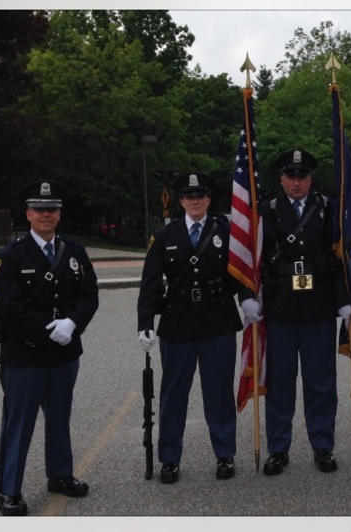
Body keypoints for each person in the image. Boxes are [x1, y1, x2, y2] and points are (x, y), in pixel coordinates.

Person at [0, 180, 99, 516]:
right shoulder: (9, 257)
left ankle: (60, 474)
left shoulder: (75, 252)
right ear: (28, 214)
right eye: (39, 209)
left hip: (64, 352)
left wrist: (72, 324)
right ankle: (9, 490)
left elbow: (89, 294)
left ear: (59, 214)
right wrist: (47, 329)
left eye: (51, 209)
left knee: (59, 419)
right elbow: (4, 306)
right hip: (25, 355)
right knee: (18, 424)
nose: (46, 214)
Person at [136, 173, 257, 483]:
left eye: (200, 195)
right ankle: (170, 458)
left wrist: (247, 298)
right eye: (189, 196)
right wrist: (145, 323)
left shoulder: (226, 231)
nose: (195, 201)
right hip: (177, 323)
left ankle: (225, 455)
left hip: (217, 320)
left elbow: (240, 270)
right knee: (174, 394)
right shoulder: (165, 236)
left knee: (217, 392)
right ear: (180, 201)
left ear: (208, 199)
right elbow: (150, 283)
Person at [258, 149, 350, 475]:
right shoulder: (265, 210)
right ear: (281, 178)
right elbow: (252, 259)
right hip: (279, 308)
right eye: (291, 176)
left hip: (319, 308)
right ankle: (278, 449)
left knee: (321, 383)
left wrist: (343, 300)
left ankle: (322, 446)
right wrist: (248, 297)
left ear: (310, 178)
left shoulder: (327, 209)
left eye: (302, 176)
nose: (297, 182)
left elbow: (338, 257)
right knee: (280, 382)